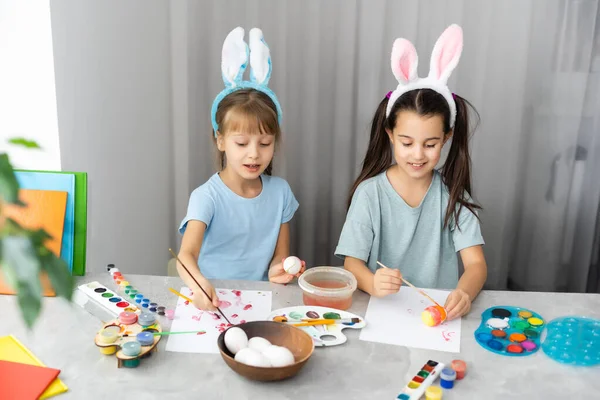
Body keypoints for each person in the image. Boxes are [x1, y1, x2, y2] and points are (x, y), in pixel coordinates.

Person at [335, 24, 487, 320]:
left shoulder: (453, 195)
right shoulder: (370, 193)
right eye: (407, 142)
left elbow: (476, 265)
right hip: (380, 314)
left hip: (437, 316)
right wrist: (372, 283)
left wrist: (464, 294)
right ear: (390, 134)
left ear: (446, 138)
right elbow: (352, 264)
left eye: (430, 144)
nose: (418, 155)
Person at [177, 27, 304, 311]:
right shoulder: (206, 197)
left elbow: (278, 262)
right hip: (212, 302)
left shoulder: (281, 193)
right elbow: (186, 255)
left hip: (259, 303)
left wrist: (280, 271)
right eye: (242, 143)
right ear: (220, 140)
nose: (254, 154)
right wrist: (198, 284)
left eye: (265, 143)